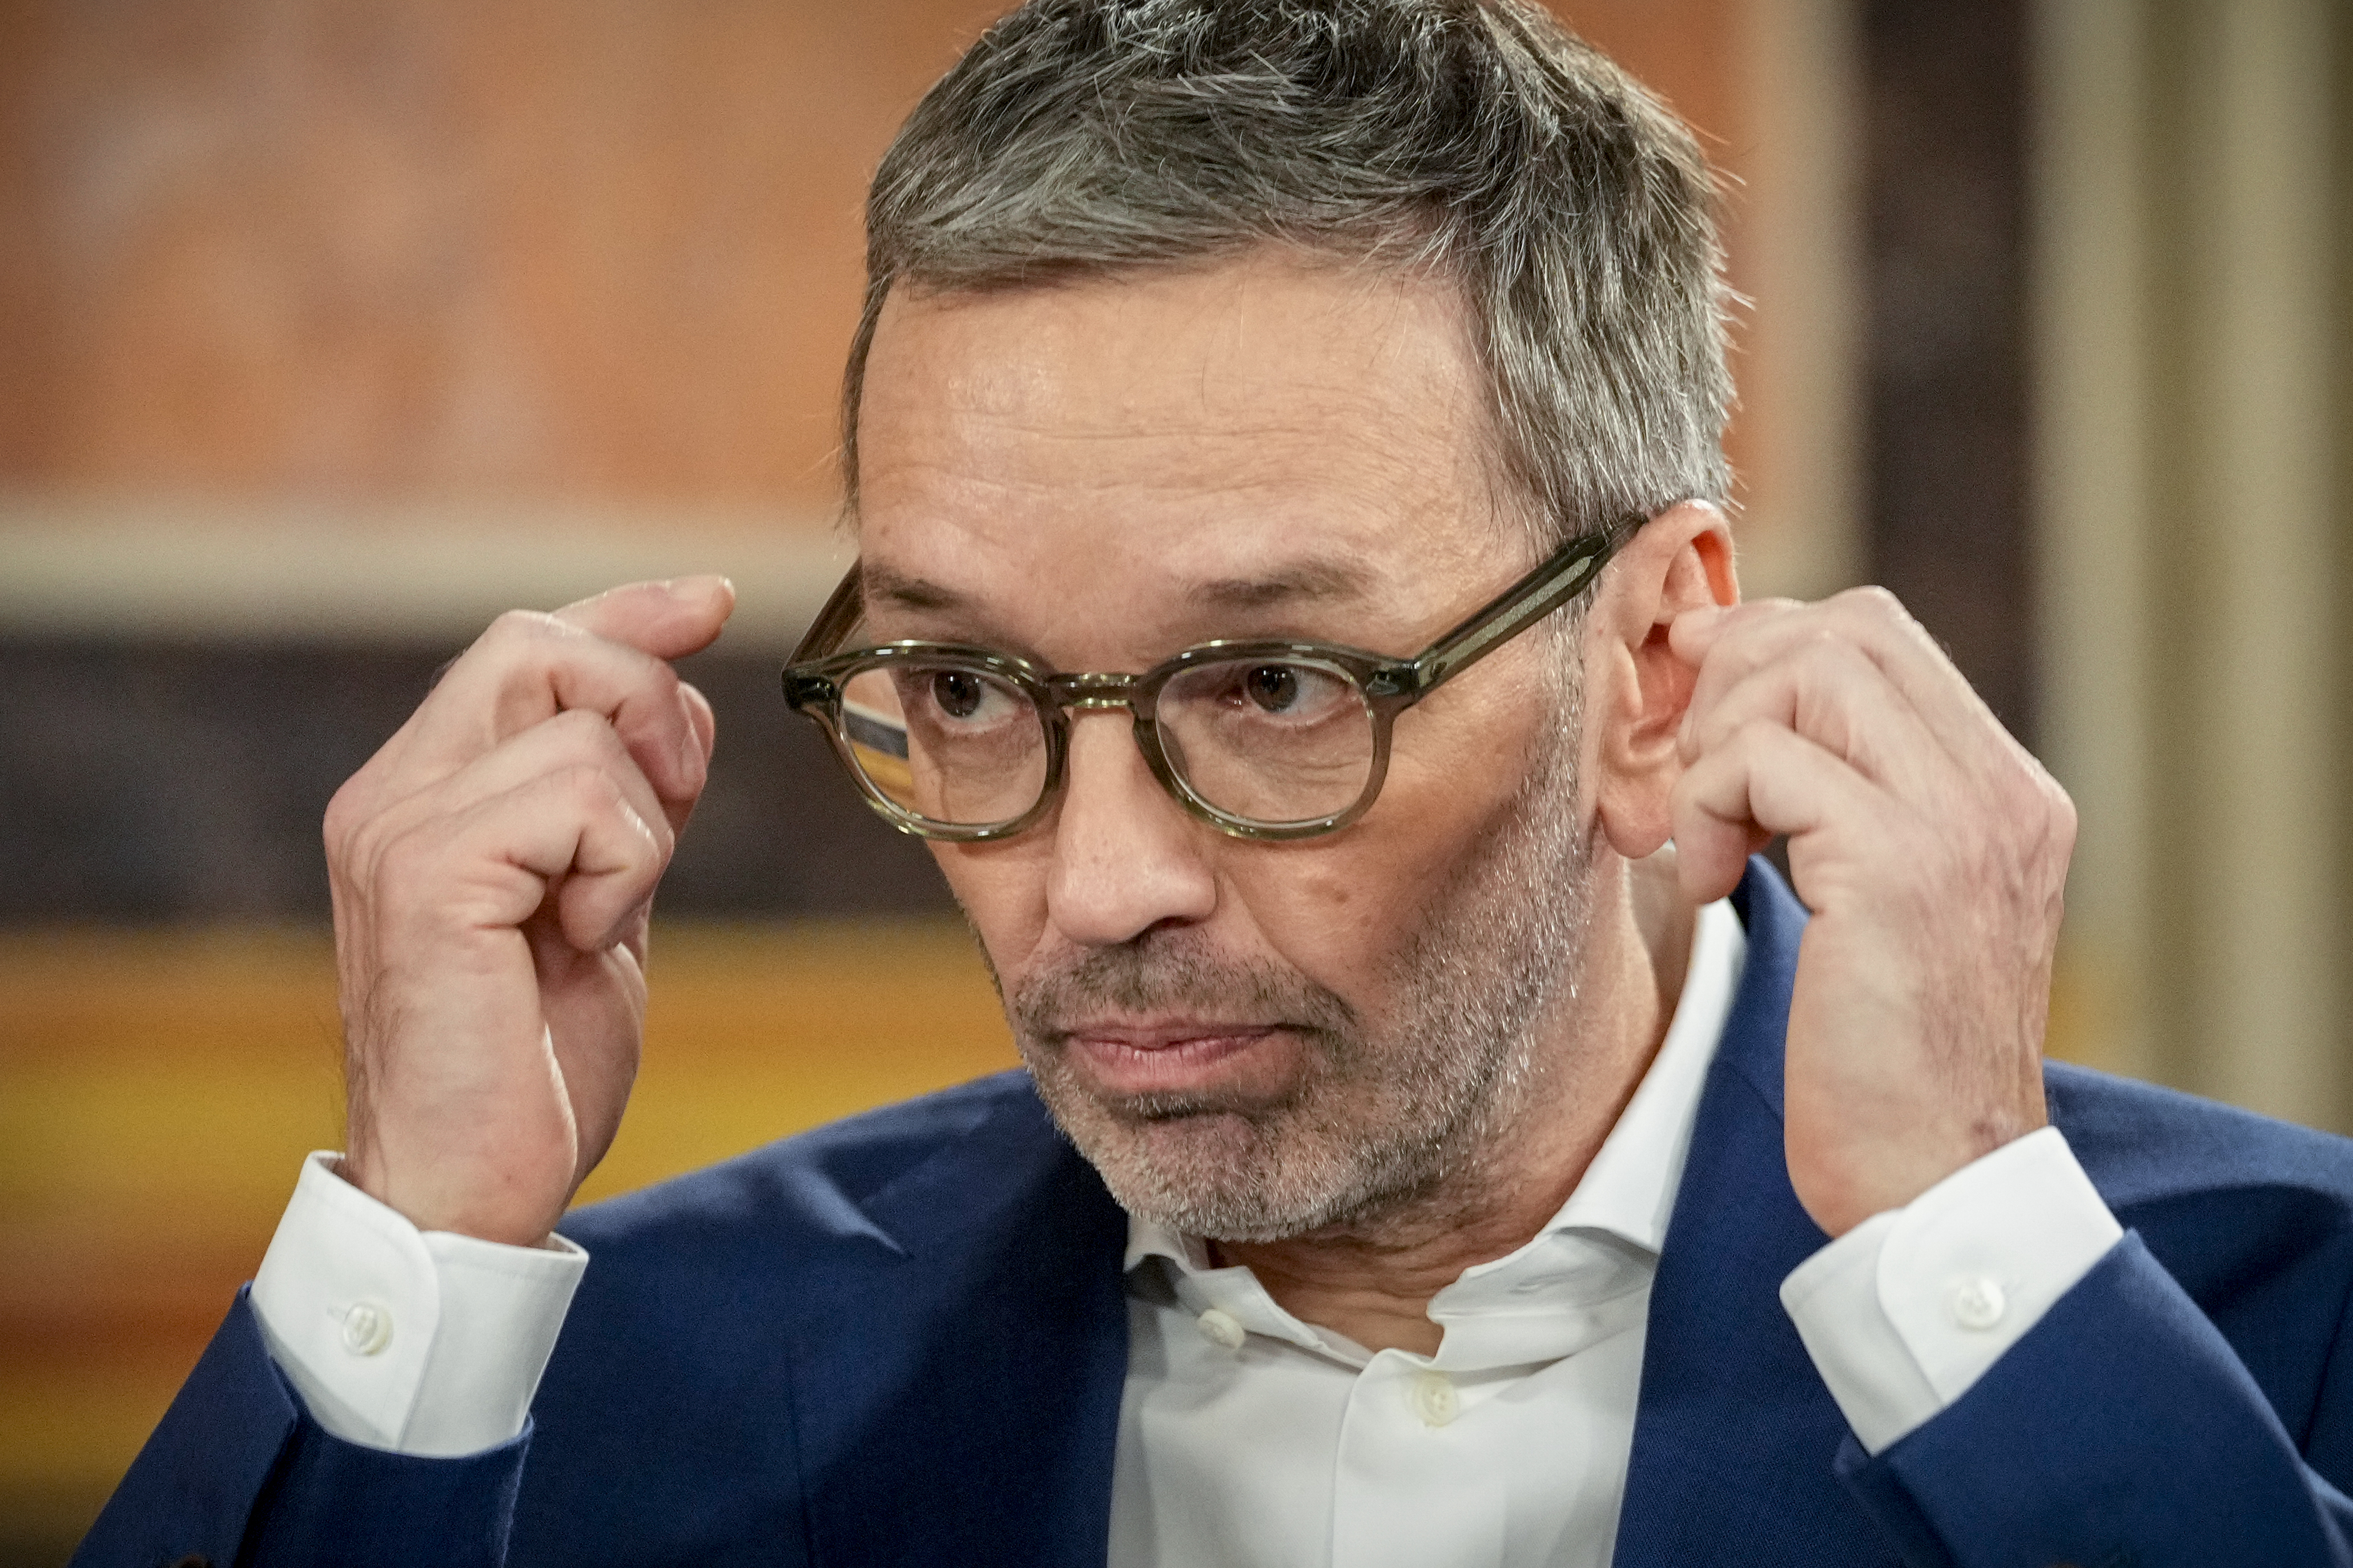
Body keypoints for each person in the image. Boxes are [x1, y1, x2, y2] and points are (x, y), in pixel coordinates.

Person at [76, 2, 2353, 1565]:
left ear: (1650, 659)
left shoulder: (2264, 1341)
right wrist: (426, 1238)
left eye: (1270, 682)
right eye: (961, 688)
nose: (1090, 888)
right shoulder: (565, 1380)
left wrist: (1970, 1269)